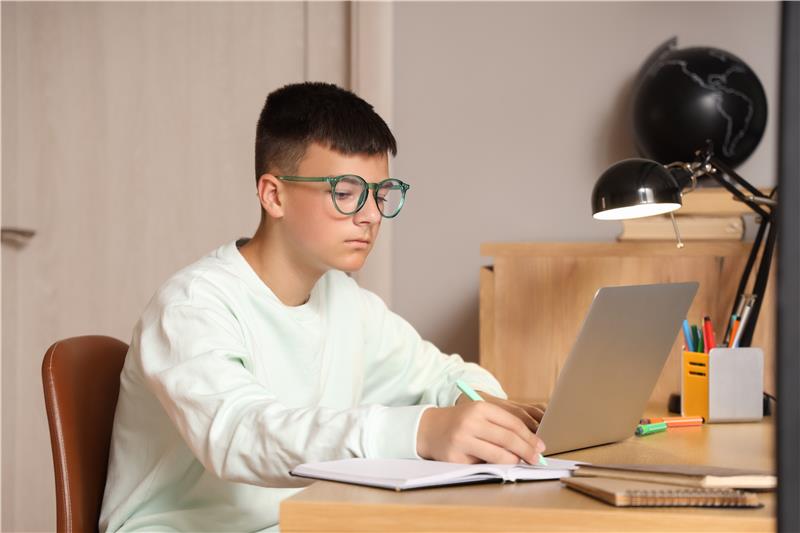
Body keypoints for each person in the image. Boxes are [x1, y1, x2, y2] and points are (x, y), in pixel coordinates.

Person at [100, 82, 546, 532]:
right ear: (274, 195)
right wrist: (420, 431)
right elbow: (239, 435)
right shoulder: (191, 305)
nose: (371, 215)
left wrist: (486, 411)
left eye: (381, 193)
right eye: (346, 191)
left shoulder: (344, 300)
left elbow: (445, 376)